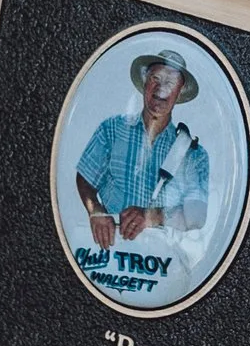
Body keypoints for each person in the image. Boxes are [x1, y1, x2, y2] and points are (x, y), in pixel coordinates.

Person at [73, 48, 211, 264]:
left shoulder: (193, 154)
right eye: (155, 78)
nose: (161, 88)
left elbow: (196, 216)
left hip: (159, 263)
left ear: (180, 91)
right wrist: (96, 211)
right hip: (105, 254)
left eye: (171, 81)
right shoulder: (111, 129)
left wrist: (150, 217)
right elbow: (85, 177)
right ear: (145, 82)